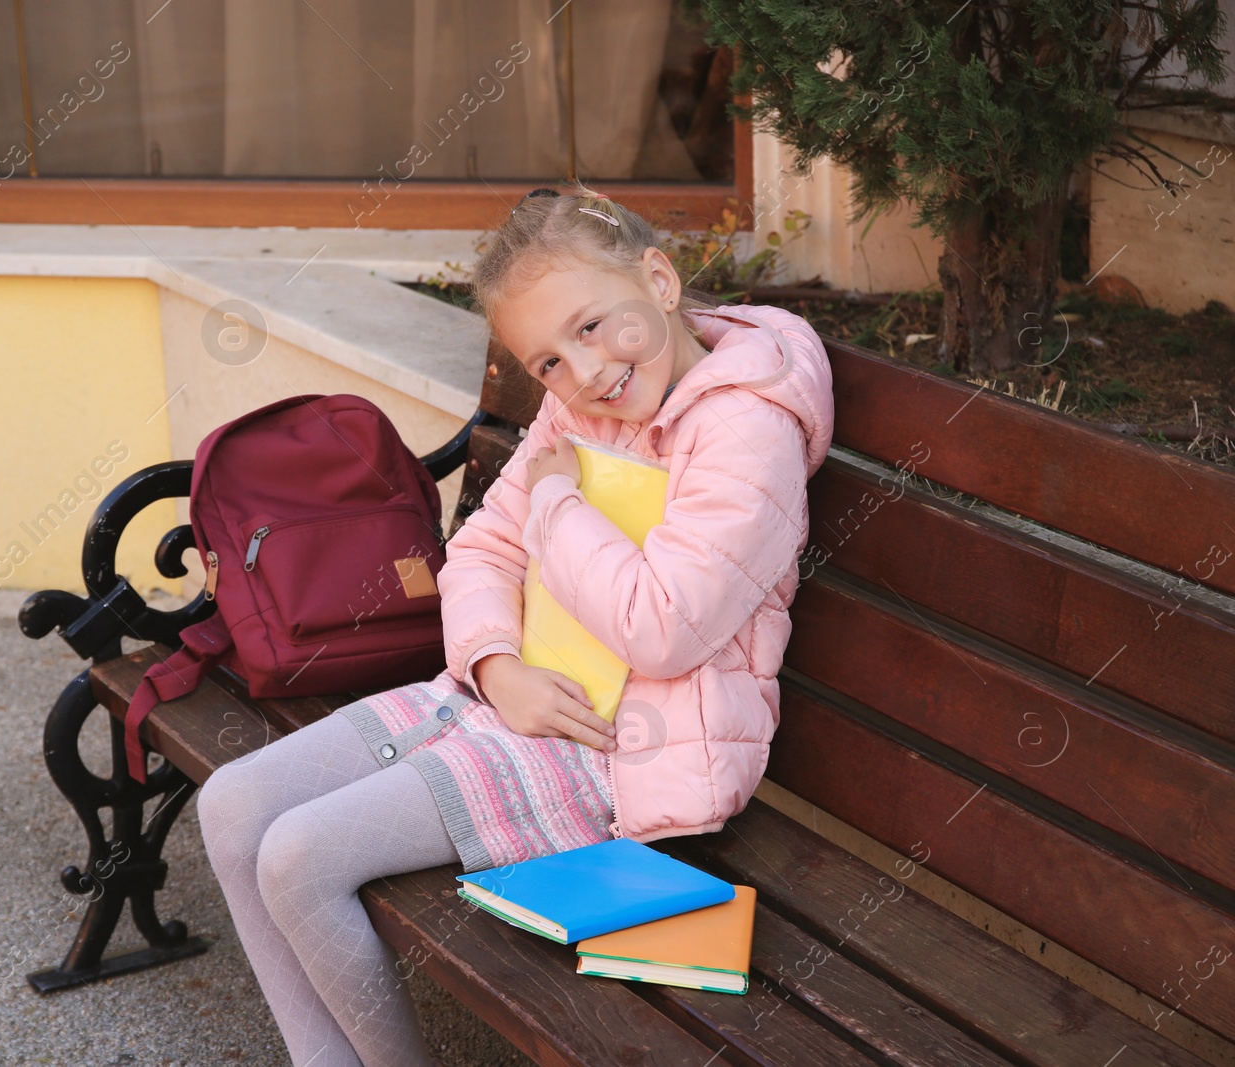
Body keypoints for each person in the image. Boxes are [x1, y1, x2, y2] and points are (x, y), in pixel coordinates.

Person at [196, 182, 834, 1067]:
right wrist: (496, 665)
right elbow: (483, 550)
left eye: (591, 326)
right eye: (548, 364)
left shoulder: (745, 428)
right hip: (508, 698)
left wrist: (560, 498)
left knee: (300, 856)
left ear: (658, 279)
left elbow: (663, 628)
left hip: (619, 747)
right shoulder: (584, 405)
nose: (584, 375)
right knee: (231, 805)